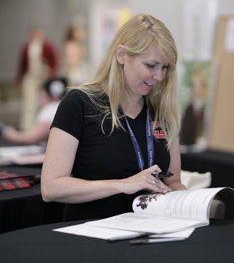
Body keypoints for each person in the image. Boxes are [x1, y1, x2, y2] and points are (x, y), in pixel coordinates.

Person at [41, 14, 186, 222]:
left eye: (165, 68)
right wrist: (122, 185)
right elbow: (51, 187)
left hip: (154, 231)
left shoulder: (162, 111)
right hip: (92, 234)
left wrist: (191, 201)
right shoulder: (78, 104)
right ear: (121, 55)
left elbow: (173, 183)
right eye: (151, 65)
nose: (160, 76)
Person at [0, 77, 67, 145]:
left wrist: (8, 133)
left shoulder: (50, 109)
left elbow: (33, 137)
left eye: (42, 96)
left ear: (54, 96)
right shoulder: (64, 106)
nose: (40, 100)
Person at [16, 26, 59, 130]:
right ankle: (27, 126)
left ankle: (41, 125)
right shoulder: (27, 46)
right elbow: (23, 64)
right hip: (31, 76)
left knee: (44, 101)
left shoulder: (47, 46)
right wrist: (19, 77)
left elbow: (54, 61)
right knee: (29, 102)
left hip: (43, 77)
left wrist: (51, 73)